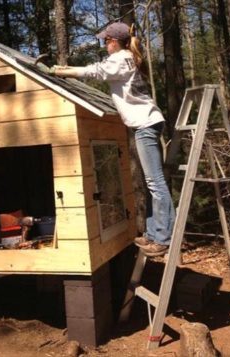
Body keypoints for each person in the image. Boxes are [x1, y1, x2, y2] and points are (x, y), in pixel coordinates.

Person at [46, 22, 175, 256]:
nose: (105, 45)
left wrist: (63, 71)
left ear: (113, 41)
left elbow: (95, 71)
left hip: (145, 123)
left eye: (106, 41)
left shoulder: (120, 58)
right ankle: (154, 234)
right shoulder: (126, 57)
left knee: (155, 183)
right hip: (147, 122)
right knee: (152, 182)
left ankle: (163, 238)